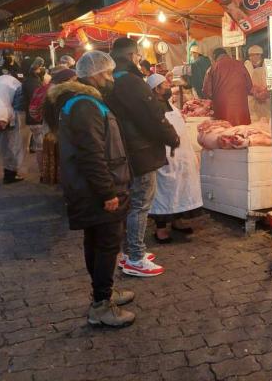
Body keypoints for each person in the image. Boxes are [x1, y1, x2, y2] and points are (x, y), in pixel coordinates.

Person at [51, 50, 135, 327]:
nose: (111, 78)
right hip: (96, 190)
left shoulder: (81, 102)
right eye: (108, 73)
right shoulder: (85, 105)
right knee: (107, 244)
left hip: (88, 188)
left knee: (97, 241)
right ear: (95, 75)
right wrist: (107, 192)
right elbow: (91, 153)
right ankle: (101, 305)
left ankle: (104, 293)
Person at [105, 37, 180, 277]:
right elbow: (152, 116)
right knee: (140, 203)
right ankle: (135, 257)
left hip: (126, 149)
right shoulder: (131, 81)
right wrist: (172, 137)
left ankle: (129, 252)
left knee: (133, 202)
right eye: (137, 55)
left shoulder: (111, 79)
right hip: (141, 149)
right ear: (131, 56)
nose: (139, 58)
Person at [146, 73, 203, 243]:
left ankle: (177, 221)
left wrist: (191, 154)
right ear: (156, 89)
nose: (168, 87)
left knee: (181, 189)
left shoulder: (170, 105)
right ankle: (161, 229)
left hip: (182, 156)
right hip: (165, 157)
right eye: (165, 85)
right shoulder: (151, 107)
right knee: (165, 192)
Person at [40, 68, 78, 184]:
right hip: (62, 135)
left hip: (54, 133)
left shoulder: (52, 94)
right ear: (67, 81)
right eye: (75, 79)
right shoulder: (64, 96)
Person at [202, 48, 253, 126]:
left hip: (222, 114)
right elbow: (249, 87)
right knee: (242, 135)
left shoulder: (213, 68)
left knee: (226, 136)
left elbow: (207, 92)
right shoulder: (240, 64)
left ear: (215, 56)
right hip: (242, 114)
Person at [244, 45, 270, 122]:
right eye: (250, 55)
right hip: (252, 100)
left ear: (260, 55)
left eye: (255, 55)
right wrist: (254, 92)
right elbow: (244, 83)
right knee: (254, 121)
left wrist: (265, 92)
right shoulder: (246, 65)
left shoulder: (267, 65)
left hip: (266, 100)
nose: (252, 57)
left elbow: (271, 81)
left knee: (267, 120)